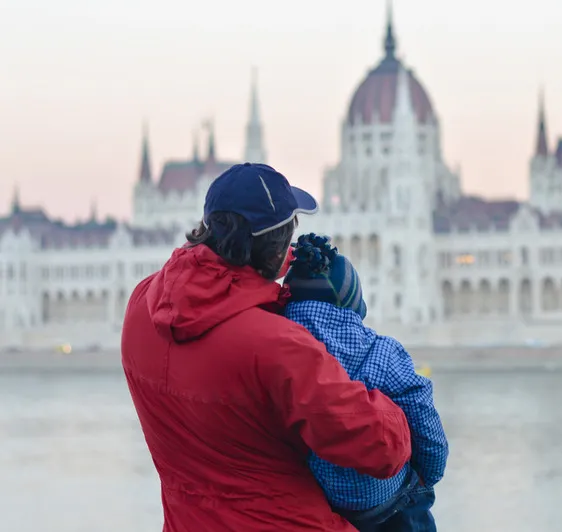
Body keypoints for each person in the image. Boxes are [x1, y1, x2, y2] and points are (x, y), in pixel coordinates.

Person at [121, 163, 412, 532]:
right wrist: (396, 404)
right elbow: (382, 448)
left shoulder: (142, 307)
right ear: (275, 250)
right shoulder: (277, 346)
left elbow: (211, 286)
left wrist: (280, 262)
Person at [283, 233, 449, 532]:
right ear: (353, 302)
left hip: (322, 504)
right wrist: (427, 475)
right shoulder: (382, 352)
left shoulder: (279, 352)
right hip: (394, 503)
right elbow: (423, 415)